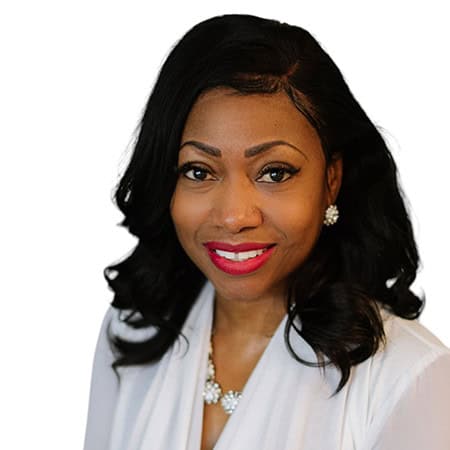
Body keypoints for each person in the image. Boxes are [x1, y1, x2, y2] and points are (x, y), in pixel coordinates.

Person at [83, 14, 450, 450]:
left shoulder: (410, 379)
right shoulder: (133, 329)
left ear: (331, 180)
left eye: (274, 172)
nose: (234, 216)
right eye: (199, 171)